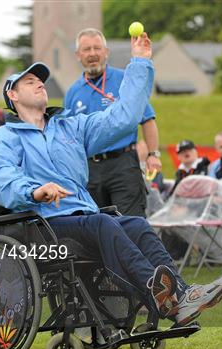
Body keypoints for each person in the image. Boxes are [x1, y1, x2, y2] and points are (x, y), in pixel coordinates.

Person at [0, 33, 222, 327]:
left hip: (81, 219)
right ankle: (160, 295)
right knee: (102, 222)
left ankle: (182, 296)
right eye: (29, 81)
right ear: (12, 95)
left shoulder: (70, 127)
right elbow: (0, 177)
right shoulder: (4, 137)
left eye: (41, 80)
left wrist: (139, 62)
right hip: (39, 226)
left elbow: (122, 118)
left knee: (136, 224)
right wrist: (35, 190)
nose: (39, 83)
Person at [63, 28, 162, 217]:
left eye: (97, 48)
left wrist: (153, 154)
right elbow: (69, 137)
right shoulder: (72, 92)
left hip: (123, 164)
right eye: (86, 49)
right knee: (96, 227)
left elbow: (147, 118)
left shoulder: (125, 79)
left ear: (106, 52)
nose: (92, 54)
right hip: (89, 169)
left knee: (131, 223)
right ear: (77, 55)